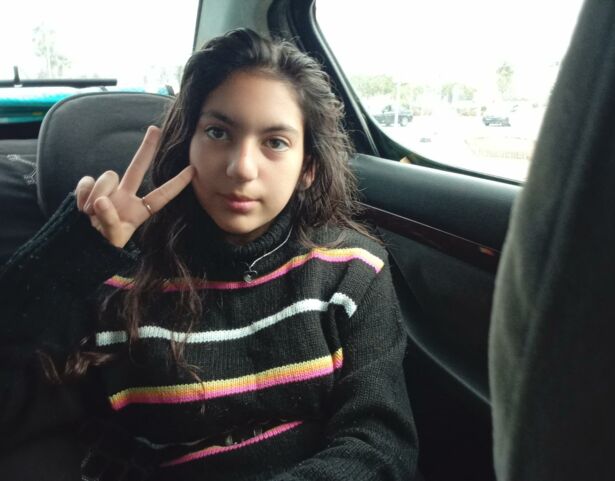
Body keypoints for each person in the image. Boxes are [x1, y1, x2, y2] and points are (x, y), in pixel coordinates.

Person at [0, 28, 418, 480]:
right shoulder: (116, 279)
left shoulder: (352, 270)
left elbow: (380, 444)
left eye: (275, 142)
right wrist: (72, 259)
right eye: (218, 132)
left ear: (308, 168)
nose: (241, 168)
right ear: (188, 145)